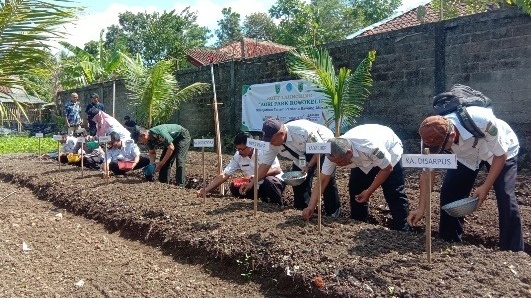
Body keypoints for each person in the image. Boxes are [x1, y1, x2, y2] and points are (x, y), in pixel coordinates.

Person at [409, 108, 523, 252]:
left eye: (442, 147)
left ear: (452, 134)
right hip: (466, 157)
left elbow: (501, 155)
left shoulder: (482, 121)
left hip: (497, 151)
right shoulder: (428, 136)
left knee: (505, 194)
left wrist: (485, 187)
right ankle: (448, 241)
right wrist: (421, 207)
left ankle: (513, 250)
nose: (439, 151)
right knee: (449, 193)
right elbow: (427, 172)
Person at [302, 124, 410, 231]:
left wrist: (369, 191)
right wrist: (311, 205)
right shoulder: (332, 155)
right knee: (356, 189)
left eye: (340, 162)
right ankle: (359, 222)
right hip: (361, 161)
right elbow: (323, 180)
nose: (338, 165)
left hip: (389, 153)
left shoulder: (370, 147)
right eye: (335, 162)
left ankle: (402, 228)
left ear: (349, 153)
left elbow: (387, 169)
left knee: (393, 192)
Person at [241, 118, 340, 217]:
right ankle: (303, 210)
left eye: (272, 140)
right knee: (298, 181)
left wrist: (309, 165)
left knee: (326, 180)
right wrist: (252, 183)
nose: (270, 143)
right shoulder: (272, 144)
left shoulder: (302, 131)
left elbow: (320, 148)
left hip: (322, 148)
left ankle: (332, 213)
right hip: (300, 156)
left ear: (281, 134)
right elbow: (265, 166)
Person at [197, 132, 285, 204]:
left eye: (242, 149)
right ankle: (258, 203)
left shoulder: (264, 150)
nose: (239, 152)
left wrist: (257, 175)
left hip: (274, 182)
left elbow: (277, 170)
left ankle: (277, 204)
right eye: (237, 149)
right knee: (234, 187)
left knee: (269, 181)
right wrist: (206, 189)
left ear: (251, 146)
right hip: (254, 184)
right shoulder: (238, 156)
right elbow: (225, 174)